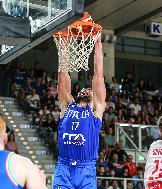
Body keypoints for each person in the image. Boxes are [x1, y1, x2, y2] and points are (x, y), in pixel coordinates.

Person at [53, 36, 106, 189]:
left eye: (89, 89)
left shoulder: (96, 109)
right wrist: (64, 43)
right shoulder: (66, 104)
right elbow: (63, 74)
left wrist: (97, 44)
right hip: (64, 167)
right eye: (83, 89)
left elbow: (99, 74)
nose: (86, 90)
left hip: (86, 169)